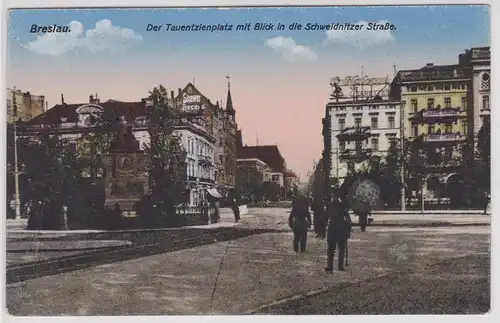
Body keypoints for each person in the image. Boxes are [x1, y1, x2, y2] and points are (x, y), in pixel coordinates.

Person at [325, 197, 352, 272]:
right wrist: (348, 231)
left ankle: (331, 266)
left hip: (334, 230)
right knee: (340, 250)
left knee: (332, 250)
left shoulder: (330, 208)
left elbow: (325, 219)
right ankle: (339, 266)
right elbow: (349, 221)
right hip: (340, 230)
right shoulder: (342, 209)